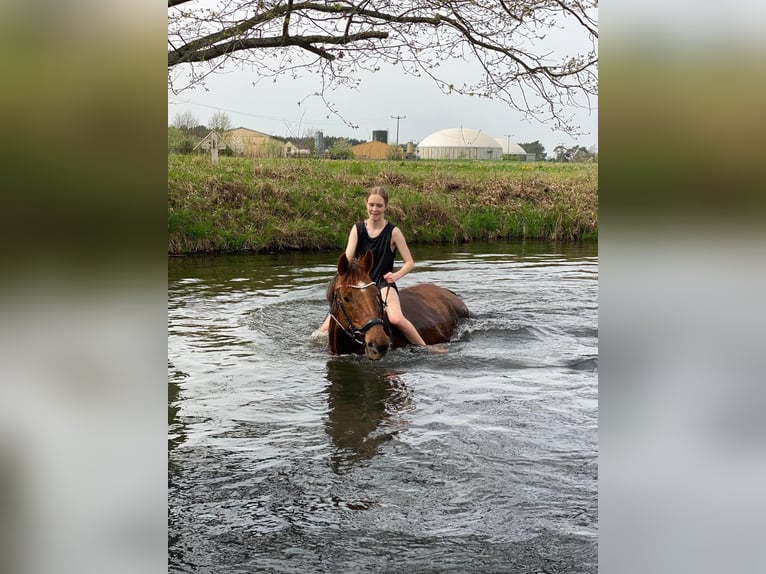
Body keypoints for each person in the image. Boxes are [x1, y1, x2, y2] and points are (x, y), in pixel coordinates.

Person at [319, 186, 443, 351]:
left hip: (383, 283)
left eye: (379, 205)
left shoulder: (394, 232)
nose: (374, 209)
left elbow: (410, 262)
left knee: (396, 318)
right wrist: (344, 272)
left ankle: (425, 347)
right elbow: (348, 255)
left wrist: (396, 276)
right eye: (371, 205)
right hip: (361, 285)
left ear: (386, 206)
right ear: (366, 204)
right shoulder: (357, 229)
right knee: (325, 327)